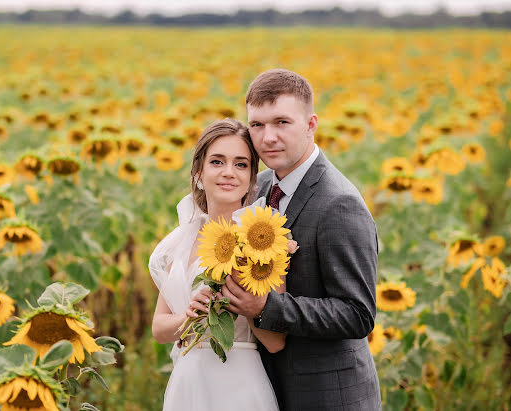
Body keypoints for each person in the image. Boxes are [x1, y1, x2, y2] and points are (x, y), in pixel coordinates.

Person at [219, 69, 381, 410]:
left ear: (311, 125)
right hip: (264, 387)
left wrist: (266, 308)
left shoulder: (339, 204)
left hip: (328, 395)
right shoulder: (259, 186)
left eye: (282, 122)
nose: (267, 138)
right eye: (257, 125)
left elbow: (358, 314)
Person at [149, 118, 281, 411]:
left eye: (241, 164)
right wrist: (189, 316)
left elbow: (275, 342)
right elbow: (159, 328)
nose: (228, 173)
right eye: (217, 162)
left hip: (241, 381)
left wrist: (247, 304)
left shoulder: (262, 241)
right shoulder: (182, 241)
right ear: (199, 171)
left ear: (252, 178)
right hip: (189, 383)